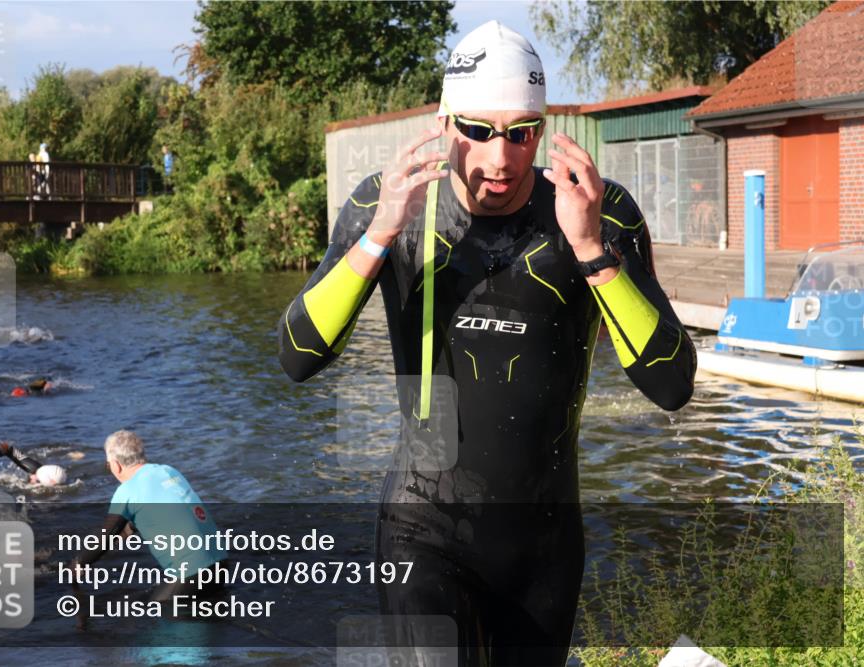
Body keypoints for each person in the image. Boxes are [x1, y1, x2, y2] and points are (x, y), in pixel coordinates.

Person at [277, 21, 696, 665]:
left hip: (543, 545)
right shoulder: (388, 204)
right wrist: (379, 236)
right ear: (445, 121)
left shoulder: (598, 212)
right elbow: (298, 357)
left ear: (544, 129)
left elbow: (672, 385)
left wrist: (590, 251)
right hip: (424, 529)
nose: (498, 160)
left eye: (520, 134)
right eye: (477, 130)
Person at [71, 430, 227, 609]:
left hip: (191, 572)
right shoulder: (169, 471)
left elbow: (106, 535)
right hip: (220, 564)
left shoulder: (127, 491)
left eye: (108, 466)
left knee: (158, 614)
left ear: (115, 465)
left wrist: (79, 563)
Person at [0, 442, 67, 487]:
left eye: (37, 478)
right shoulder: (35, 469)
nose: (32, 476)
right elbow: (7, 448)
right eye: (36, 473)